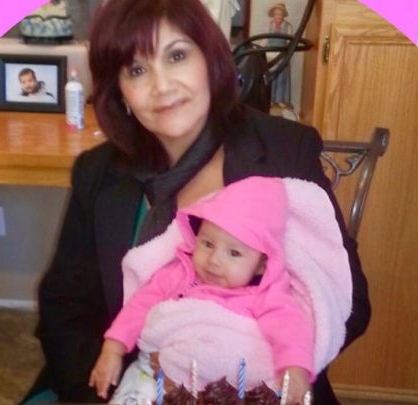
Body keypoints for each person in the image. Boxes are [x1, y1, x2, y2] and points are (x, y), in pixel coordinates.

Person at [23, 0, 370, 403]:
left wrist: (234, 377)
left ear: (210, 60)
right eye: (137, 70)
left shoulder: (283, 149)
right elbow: (64, 311)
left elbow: (348, 301)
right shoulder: (97, 173)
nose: (162, 86)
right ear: (120, 92)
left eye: (177, 56)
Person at [90, 176, 328, 405]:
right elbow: (140, 305)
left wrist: (295, 370)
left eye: (234, 253)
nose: (214, 260)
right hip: (157, 372)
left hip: (229, 390)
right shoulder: (179, 273)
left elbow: (290, 329)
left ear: (262, 264)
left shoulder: (267, 294)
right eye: (207, 244)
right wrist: (113, 349)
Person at [266, 3, 293, 107]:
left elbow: (290, 42)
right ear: (273, 15)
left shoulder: (288, 26)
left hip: (282, 54)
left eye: (280, 14)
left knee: (281, 76)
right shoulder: (269, 25)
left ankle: (280, 99)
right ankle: (270, 99)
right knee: (270, 76)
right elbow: (265, 40)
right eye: (276, 14)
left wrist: (287, 53)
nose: (278, 16)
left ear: (283, 15)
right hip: (270, 53)